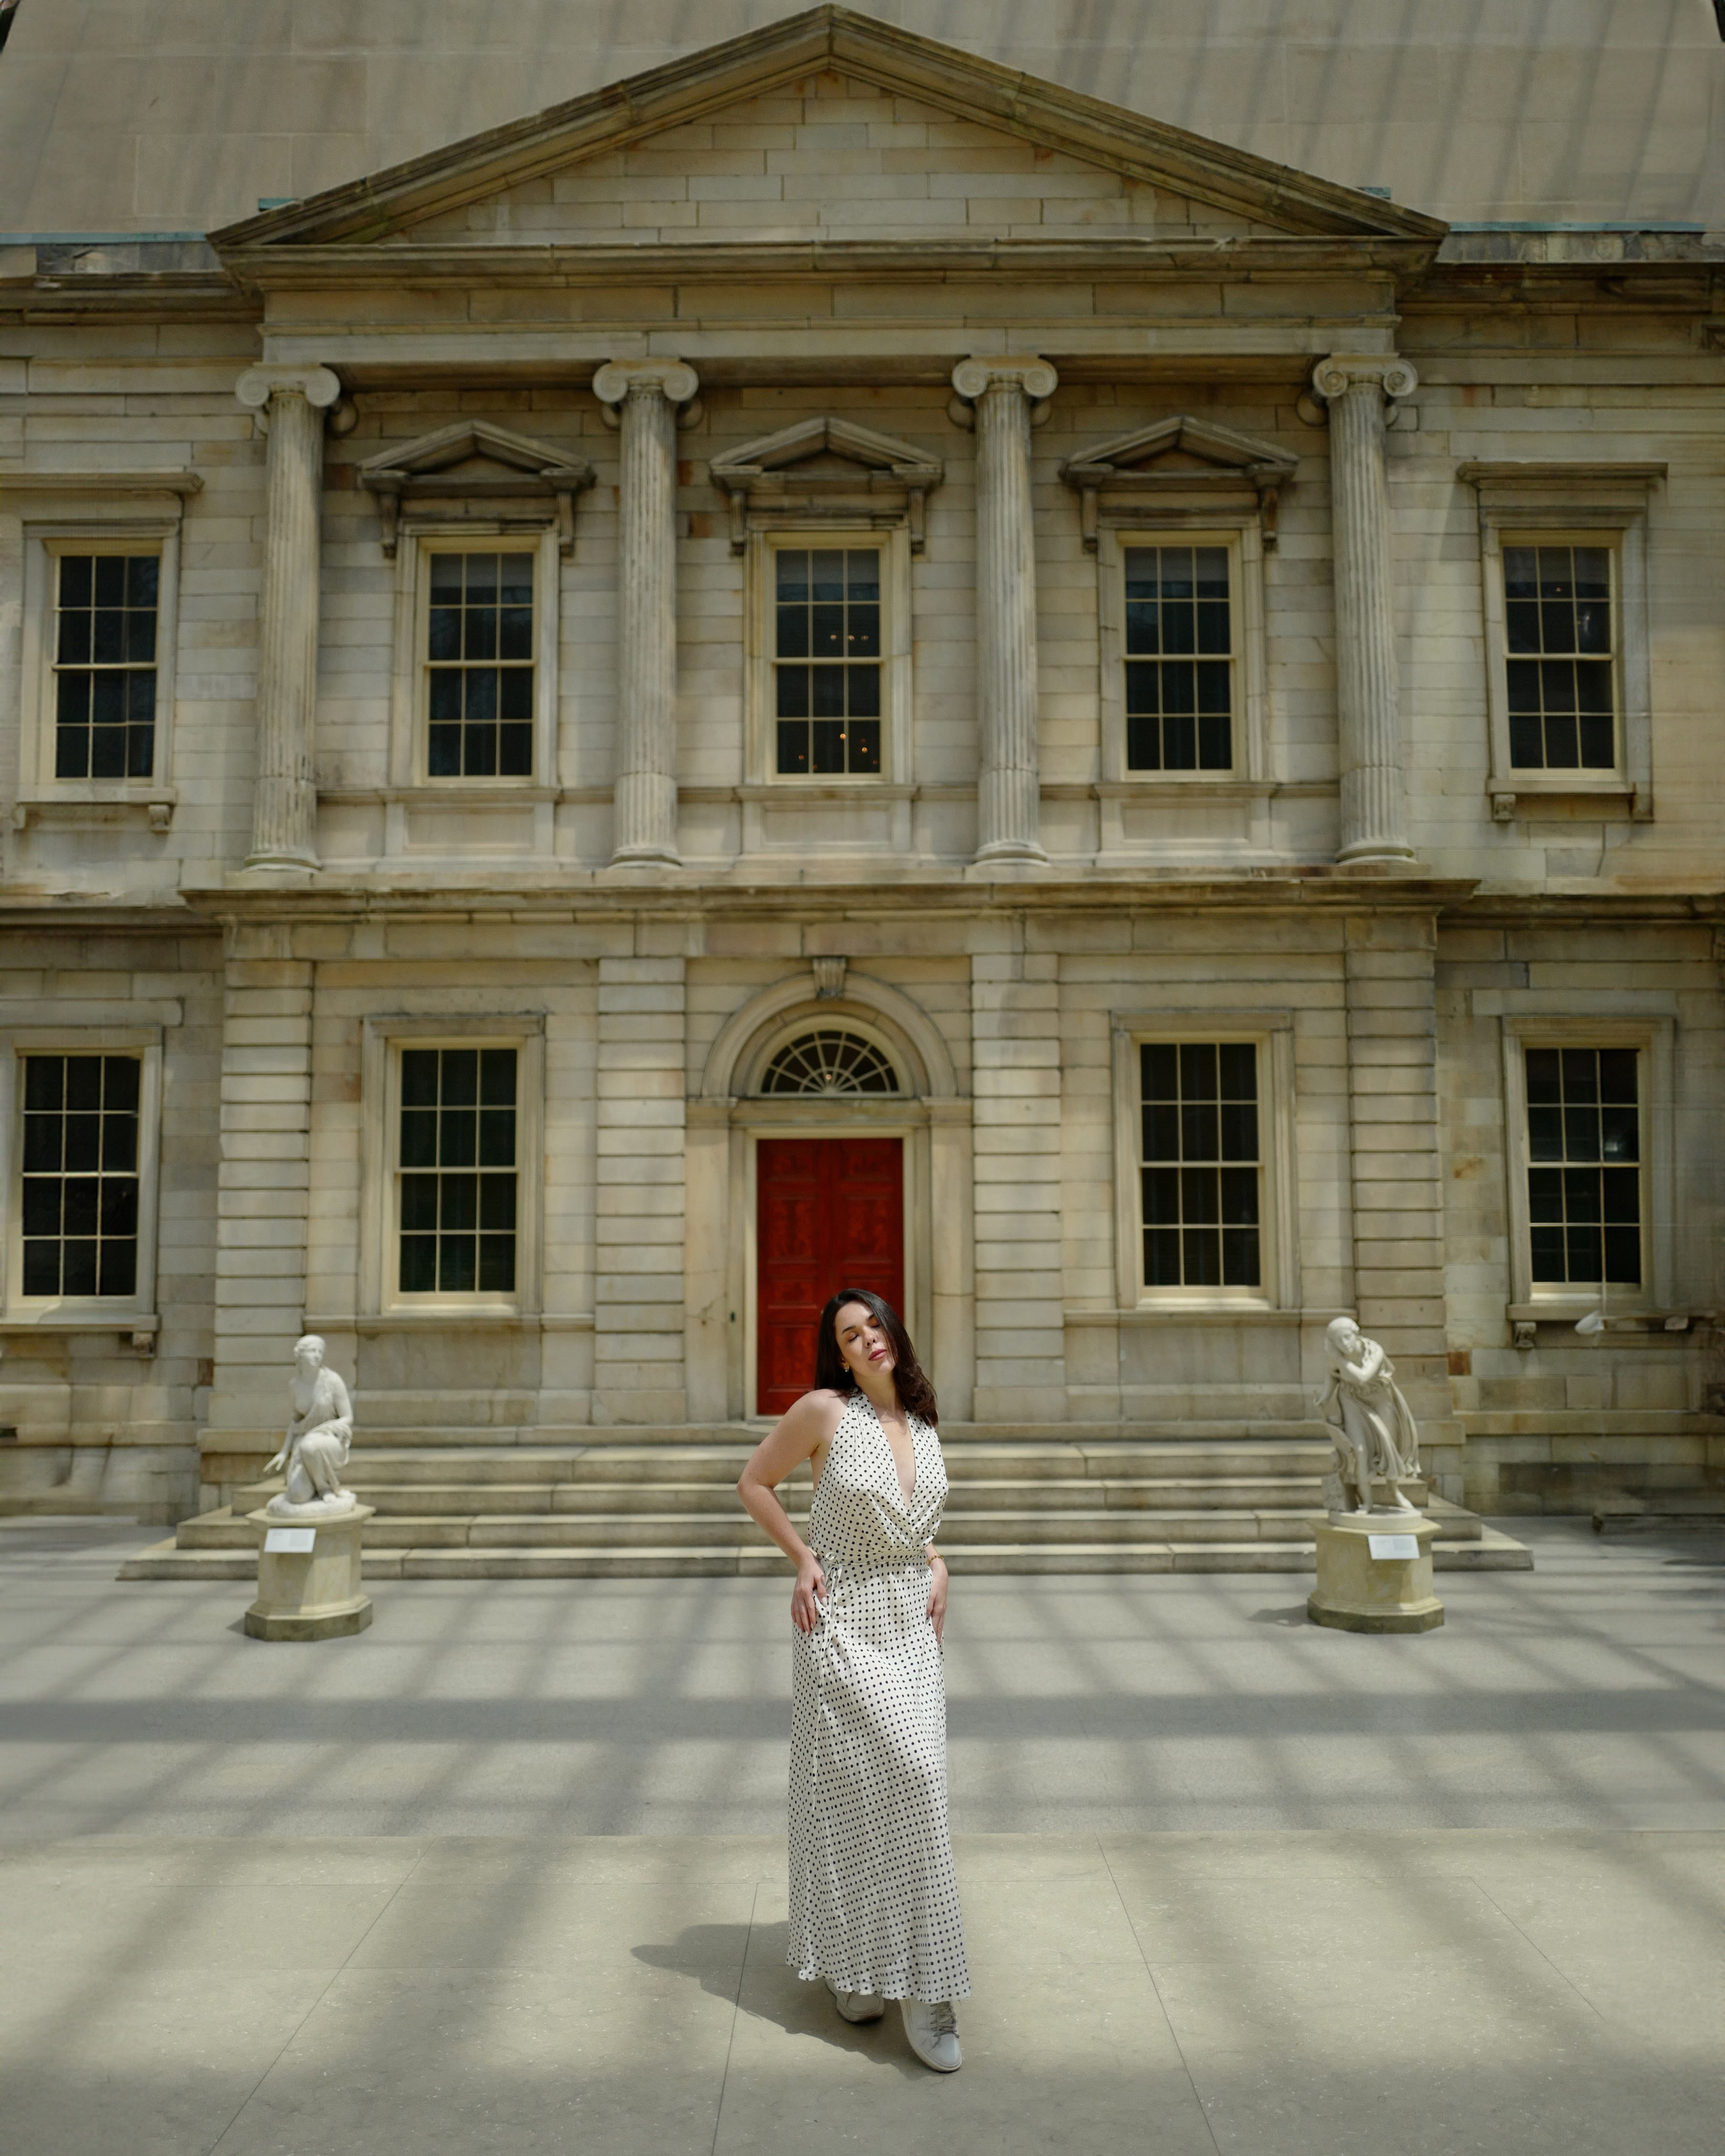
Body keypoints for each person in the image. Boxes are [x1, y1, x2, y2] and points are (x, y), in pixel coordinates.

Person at [736, 1287, 970, 2072]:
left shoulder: (923, 1420)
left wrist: (937, 1559)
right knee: (866, 1789)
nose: (867, 1338)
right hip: (841, 1618)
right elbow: (754, 1482)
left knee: (914, 1786)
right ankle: (858, 1969)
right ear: (837, 1354)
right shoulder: (823, 1411)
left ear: (891, 1331)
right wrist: (802, 1557)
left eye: (874, 1323)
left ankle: (922, 1988)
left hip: (910, 1624)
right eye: (849, 1333)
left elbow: (910, 1521)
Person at [263, 1334, 355, 1512]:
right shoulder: (294, 1385)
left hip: (329, 1440)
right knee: (298, 1496)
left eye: (320, 1352)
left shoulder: (332, 1381)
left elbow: (348, 1418)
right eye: (312, 1351)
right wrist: (284, 1452)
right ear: (300, 1355)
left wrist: (323, 1430)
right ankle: (312, 1486)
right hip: (303, 1441)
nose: (317, 1355)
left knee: (309, 1446)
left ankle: (325, 1488)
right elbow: (295, 1421)